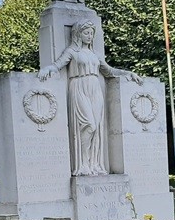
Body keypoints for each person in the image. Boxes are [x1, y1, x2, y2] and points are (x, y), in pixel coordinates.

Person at [38, 19, 143, 176]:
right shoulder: (72, 52)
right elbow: (58, 65)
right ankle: (83, 163)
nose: (89, 36)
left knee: (97, 127)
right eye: (86, 33)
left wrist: (128, 73)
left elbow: (109, 71)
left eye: (91, 33)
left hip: (95, 89)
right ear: (78, 34)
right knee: (89, 125)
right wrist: (48, 69)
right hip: (79, 87)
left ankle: (94, 164)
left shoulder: (95, 54)